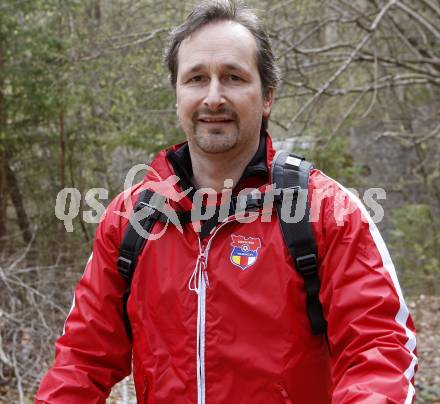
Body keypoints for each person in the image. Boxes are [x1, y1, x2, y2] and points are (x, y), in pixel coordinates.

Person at [36, 1, 417, 403]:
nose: (214, 97)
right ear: (177, 94)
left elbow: (379, 350)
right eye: (197, 78)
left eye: (233, 78)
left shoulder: (327, 212)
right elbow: (80, 361)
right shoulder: (131, 220)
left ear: (267, 97)